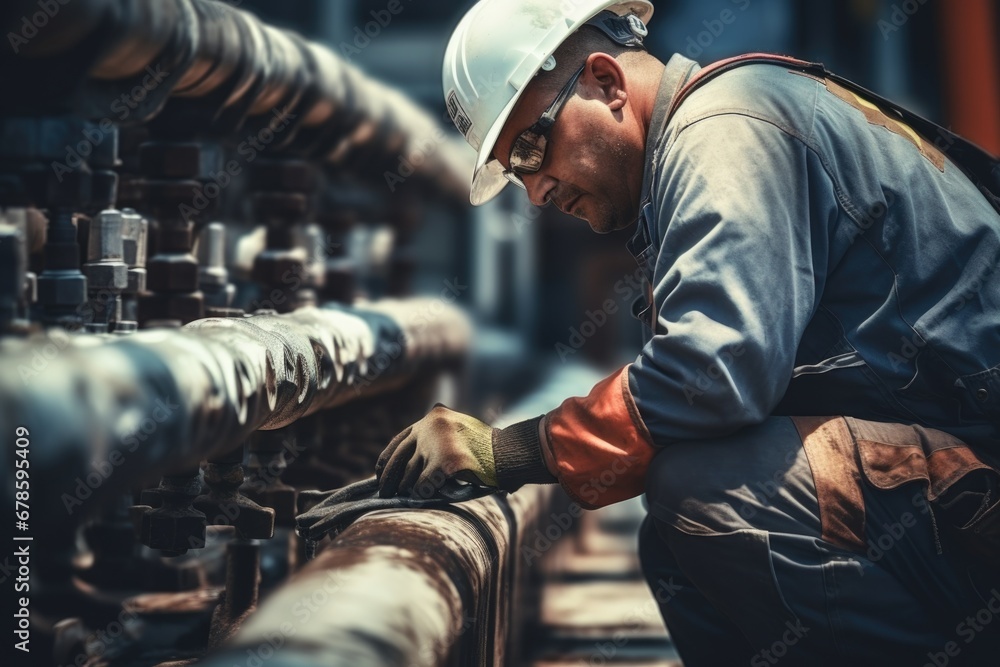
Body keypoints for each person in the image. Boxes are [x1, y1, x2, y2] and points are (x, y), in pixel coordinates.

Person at [376, 1, 1000, 664]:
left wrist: (511, 451)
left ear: (606, 80)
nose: (535, 192)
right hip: (954, 479)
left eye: (532, 147)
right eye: (515, 172)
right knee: (677, 540)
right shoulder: (713, 135)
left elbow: (714, 372)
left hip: (977, 480)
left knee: (708, 490)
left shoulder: (727, 127)